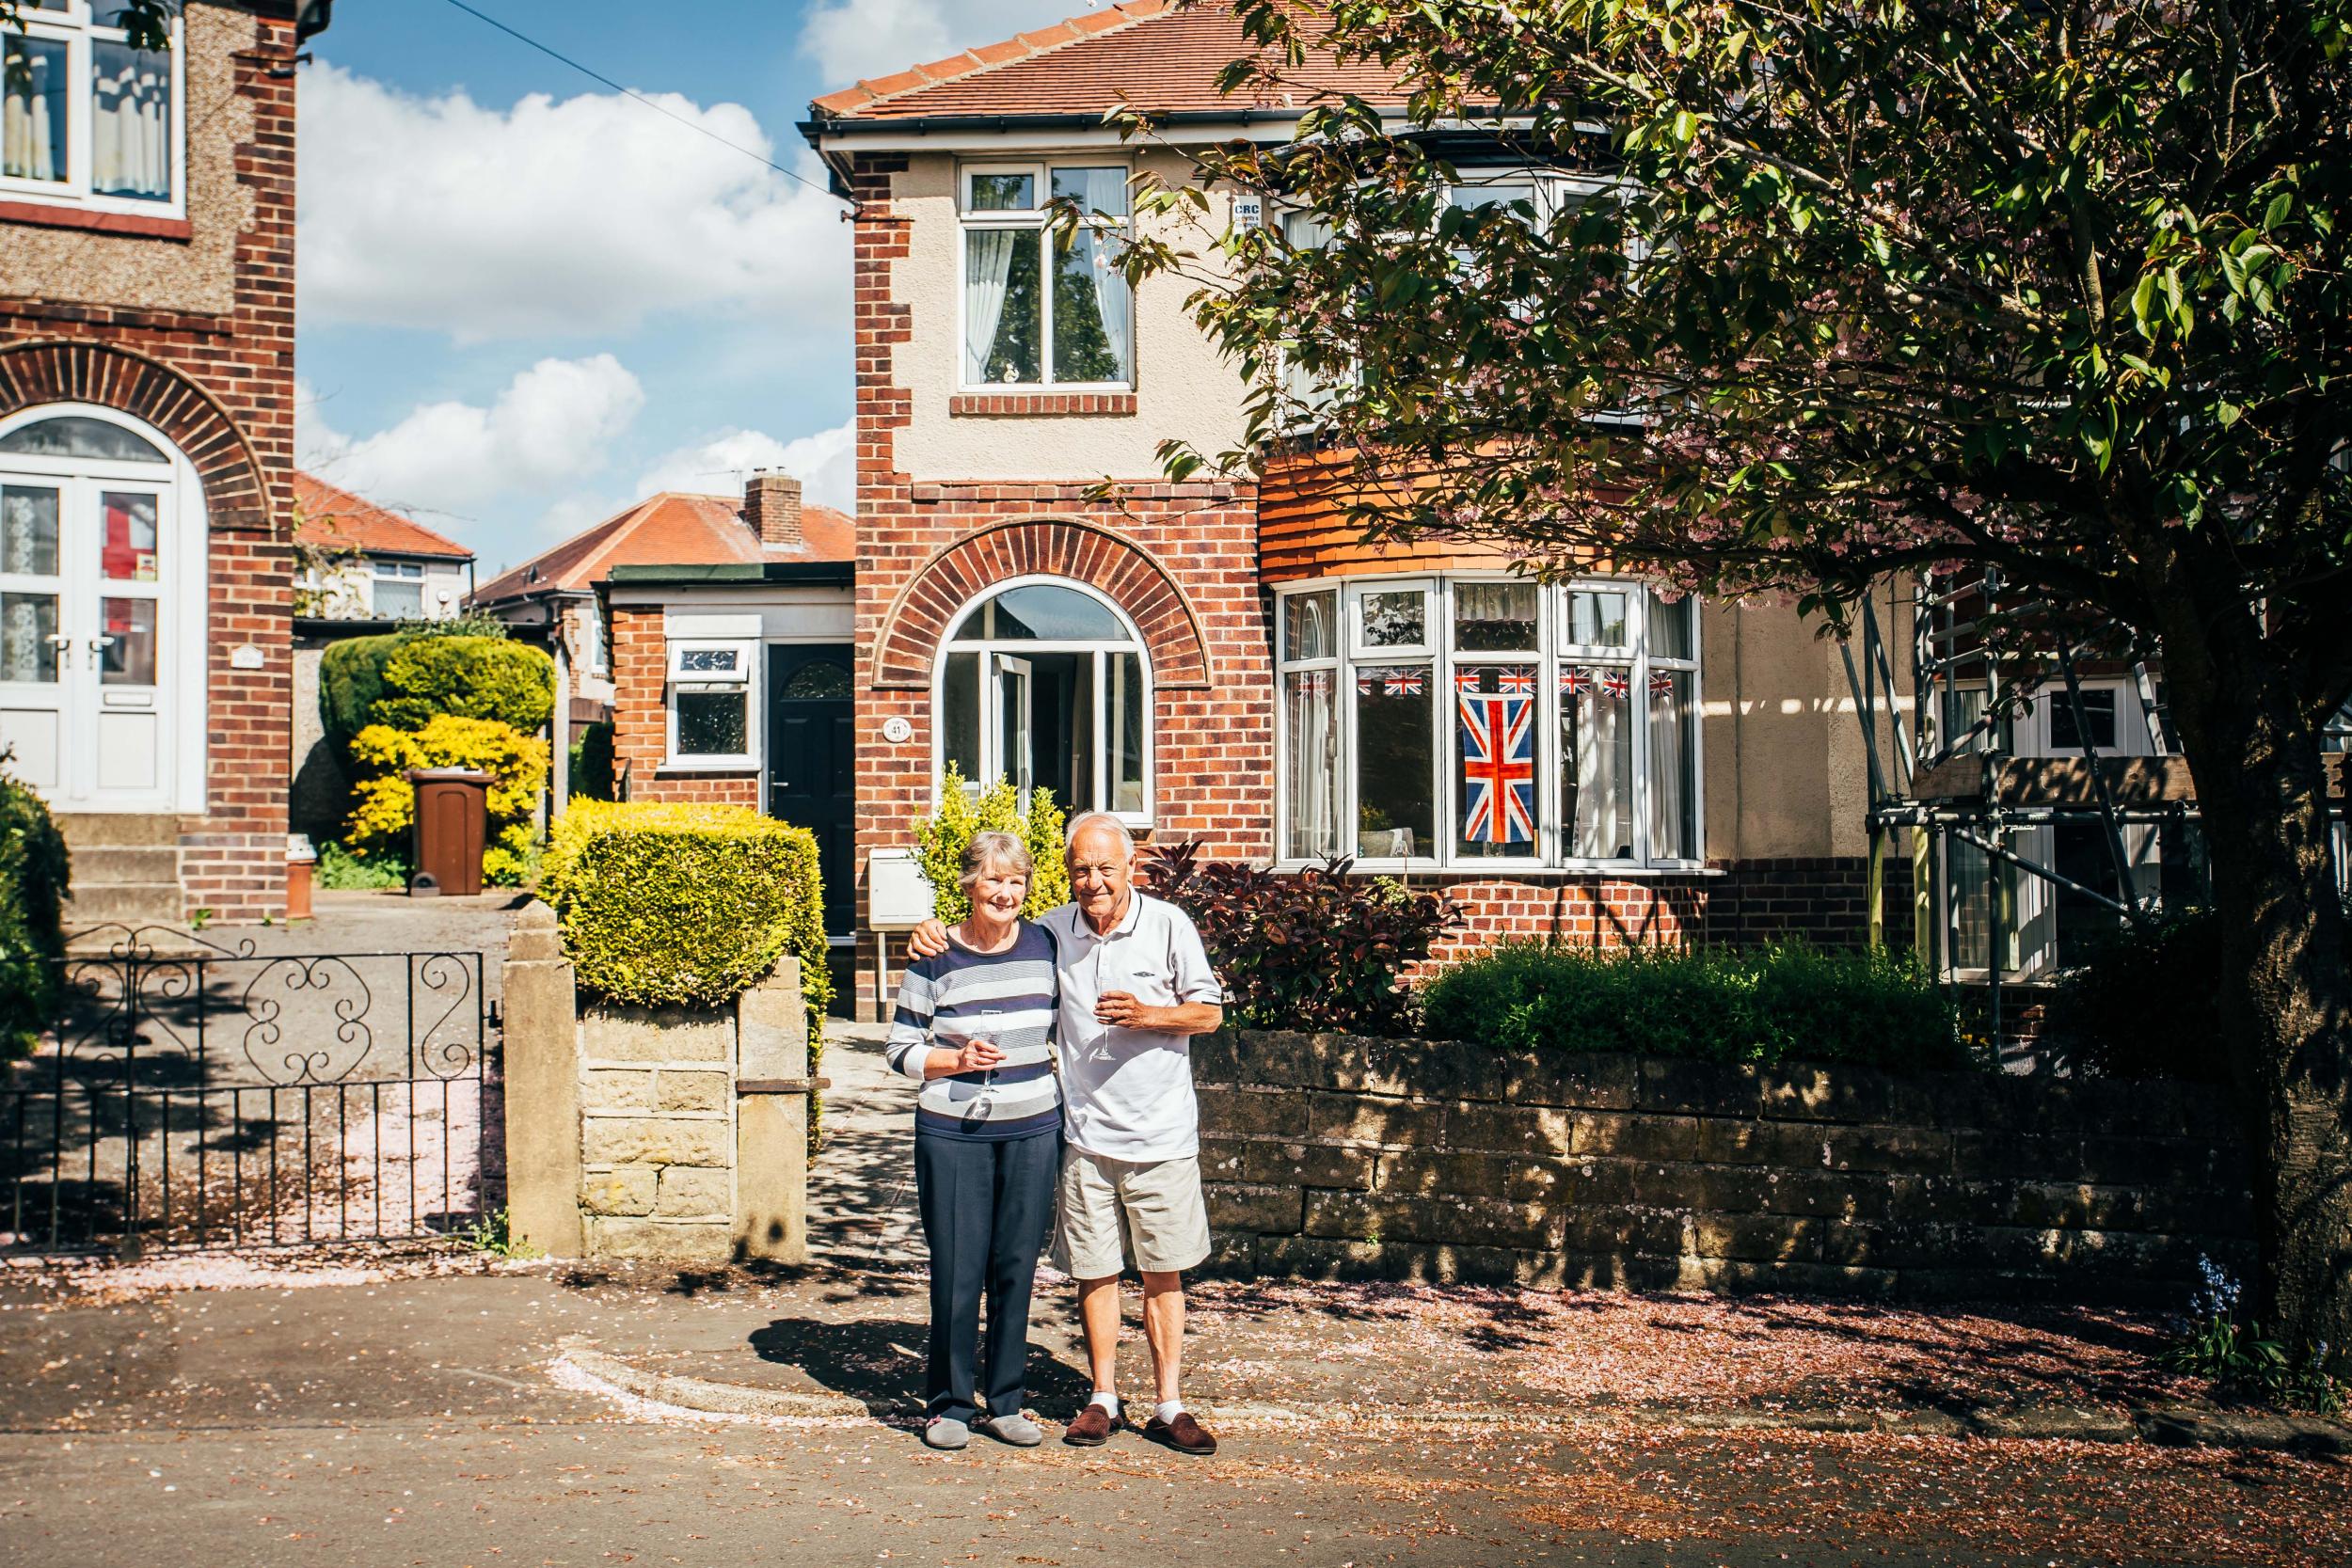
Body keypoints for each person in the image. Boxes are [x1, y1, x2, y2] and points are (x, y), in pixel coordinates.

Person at [911, 812, 1226, 1456]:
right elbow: (989, 931)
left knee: (1162, 1273)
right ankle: (1102, 1397)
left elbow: (1211, 1012)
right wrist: (932, 928)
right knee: (1096, 1271)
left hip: (1161, 1135)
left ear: (1131, 866)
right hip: (1083, 1134)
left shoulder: (1168, 924)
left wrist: (1150, 1014)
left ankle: (1169, 1403)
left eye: (1106, 867)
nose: (1093, 880)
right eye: (1080, 868)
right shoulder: (1052, 931)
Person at [884, 830, 1063, 1451]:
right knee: (957, 1270)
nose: (1006, 892)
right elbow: (899, 1049)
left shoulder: (1046, 943)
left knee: (1016, 1267)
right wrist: (954, 1060)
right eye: (994, 879)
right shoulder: (934, 954)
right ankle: (949, 1405)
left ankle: (1006, 1401)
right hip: (953, 1133)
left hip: (1034, 1126)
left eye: (1016, 880)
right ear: (969, 884)